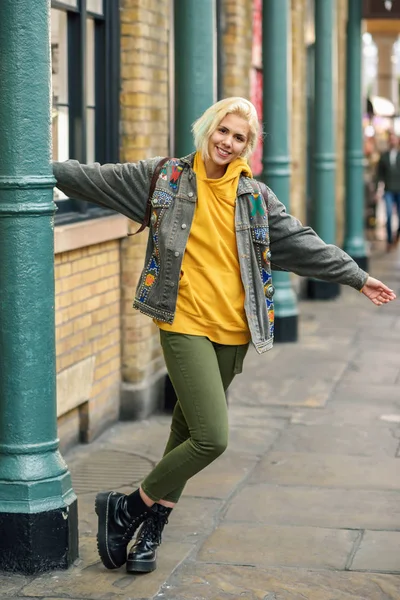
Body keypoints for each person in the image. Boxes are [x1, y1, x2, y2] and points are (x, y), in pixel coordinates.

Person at [53, 97, 396, 575]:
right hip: (182, 321)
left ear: (248, 147)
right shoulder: (164, 179)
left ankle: (149, 530)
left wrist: (356, 276)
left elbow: (301, 243)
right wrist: (36, 164)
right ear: (208, 129)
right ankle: (127, 507)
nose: (228, 143)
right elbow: (91, 178)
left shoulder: (254, 198)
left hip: (234, 331)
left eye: (239, 138)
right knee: (212, 438)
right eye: (224, 131)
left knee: (187, 432)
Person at [376, 131, 400, 250]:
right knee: (389, 215)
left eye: (394, 139)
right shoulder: (384, 156)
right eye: (391, 139)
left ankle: (397, 236)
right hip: (389, 189)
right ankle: (389, 240)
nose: (392, 141)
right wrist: (377, 190)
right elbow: (379, 174)